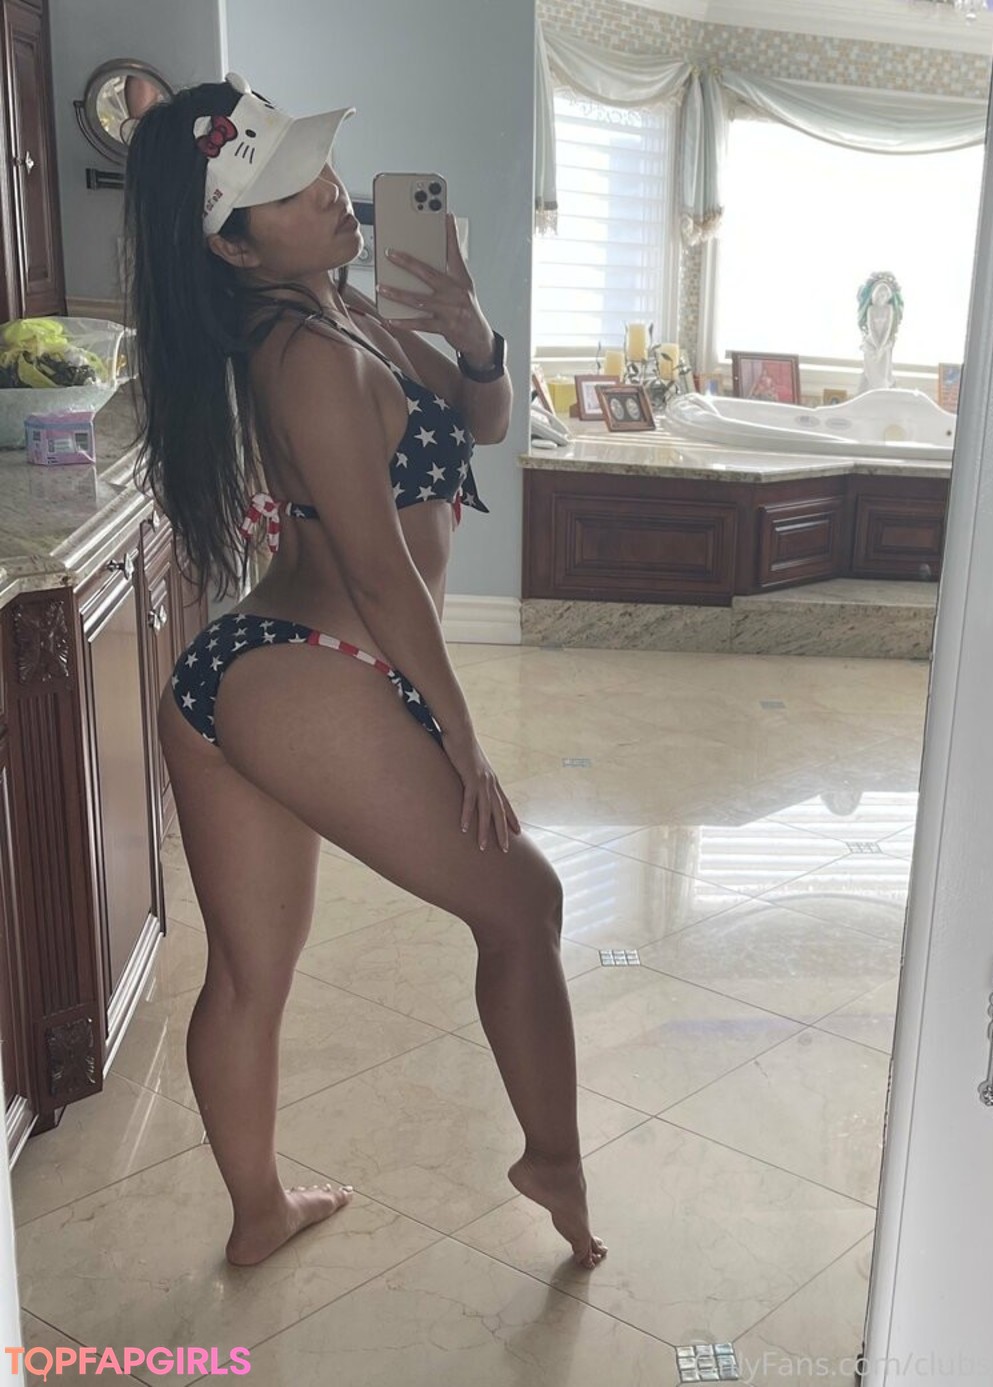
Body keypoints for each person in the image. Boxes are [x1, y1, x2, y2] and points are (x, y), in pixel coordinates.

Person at [124, 72, 606, 1271]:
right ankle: (552, 1159)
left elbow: (483, 420)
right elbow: (385, 578)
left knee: (250, 975)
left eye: (320, 165)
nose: (331, 191)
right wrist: (461, 737)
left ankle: (259, 1213)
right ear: (233, 249)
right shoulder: (303, 354)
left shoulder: (341, 312)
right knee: (525, 903)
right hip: (312, 666)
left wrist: (475, 330)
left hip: (253, 671)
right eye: (291, 189)